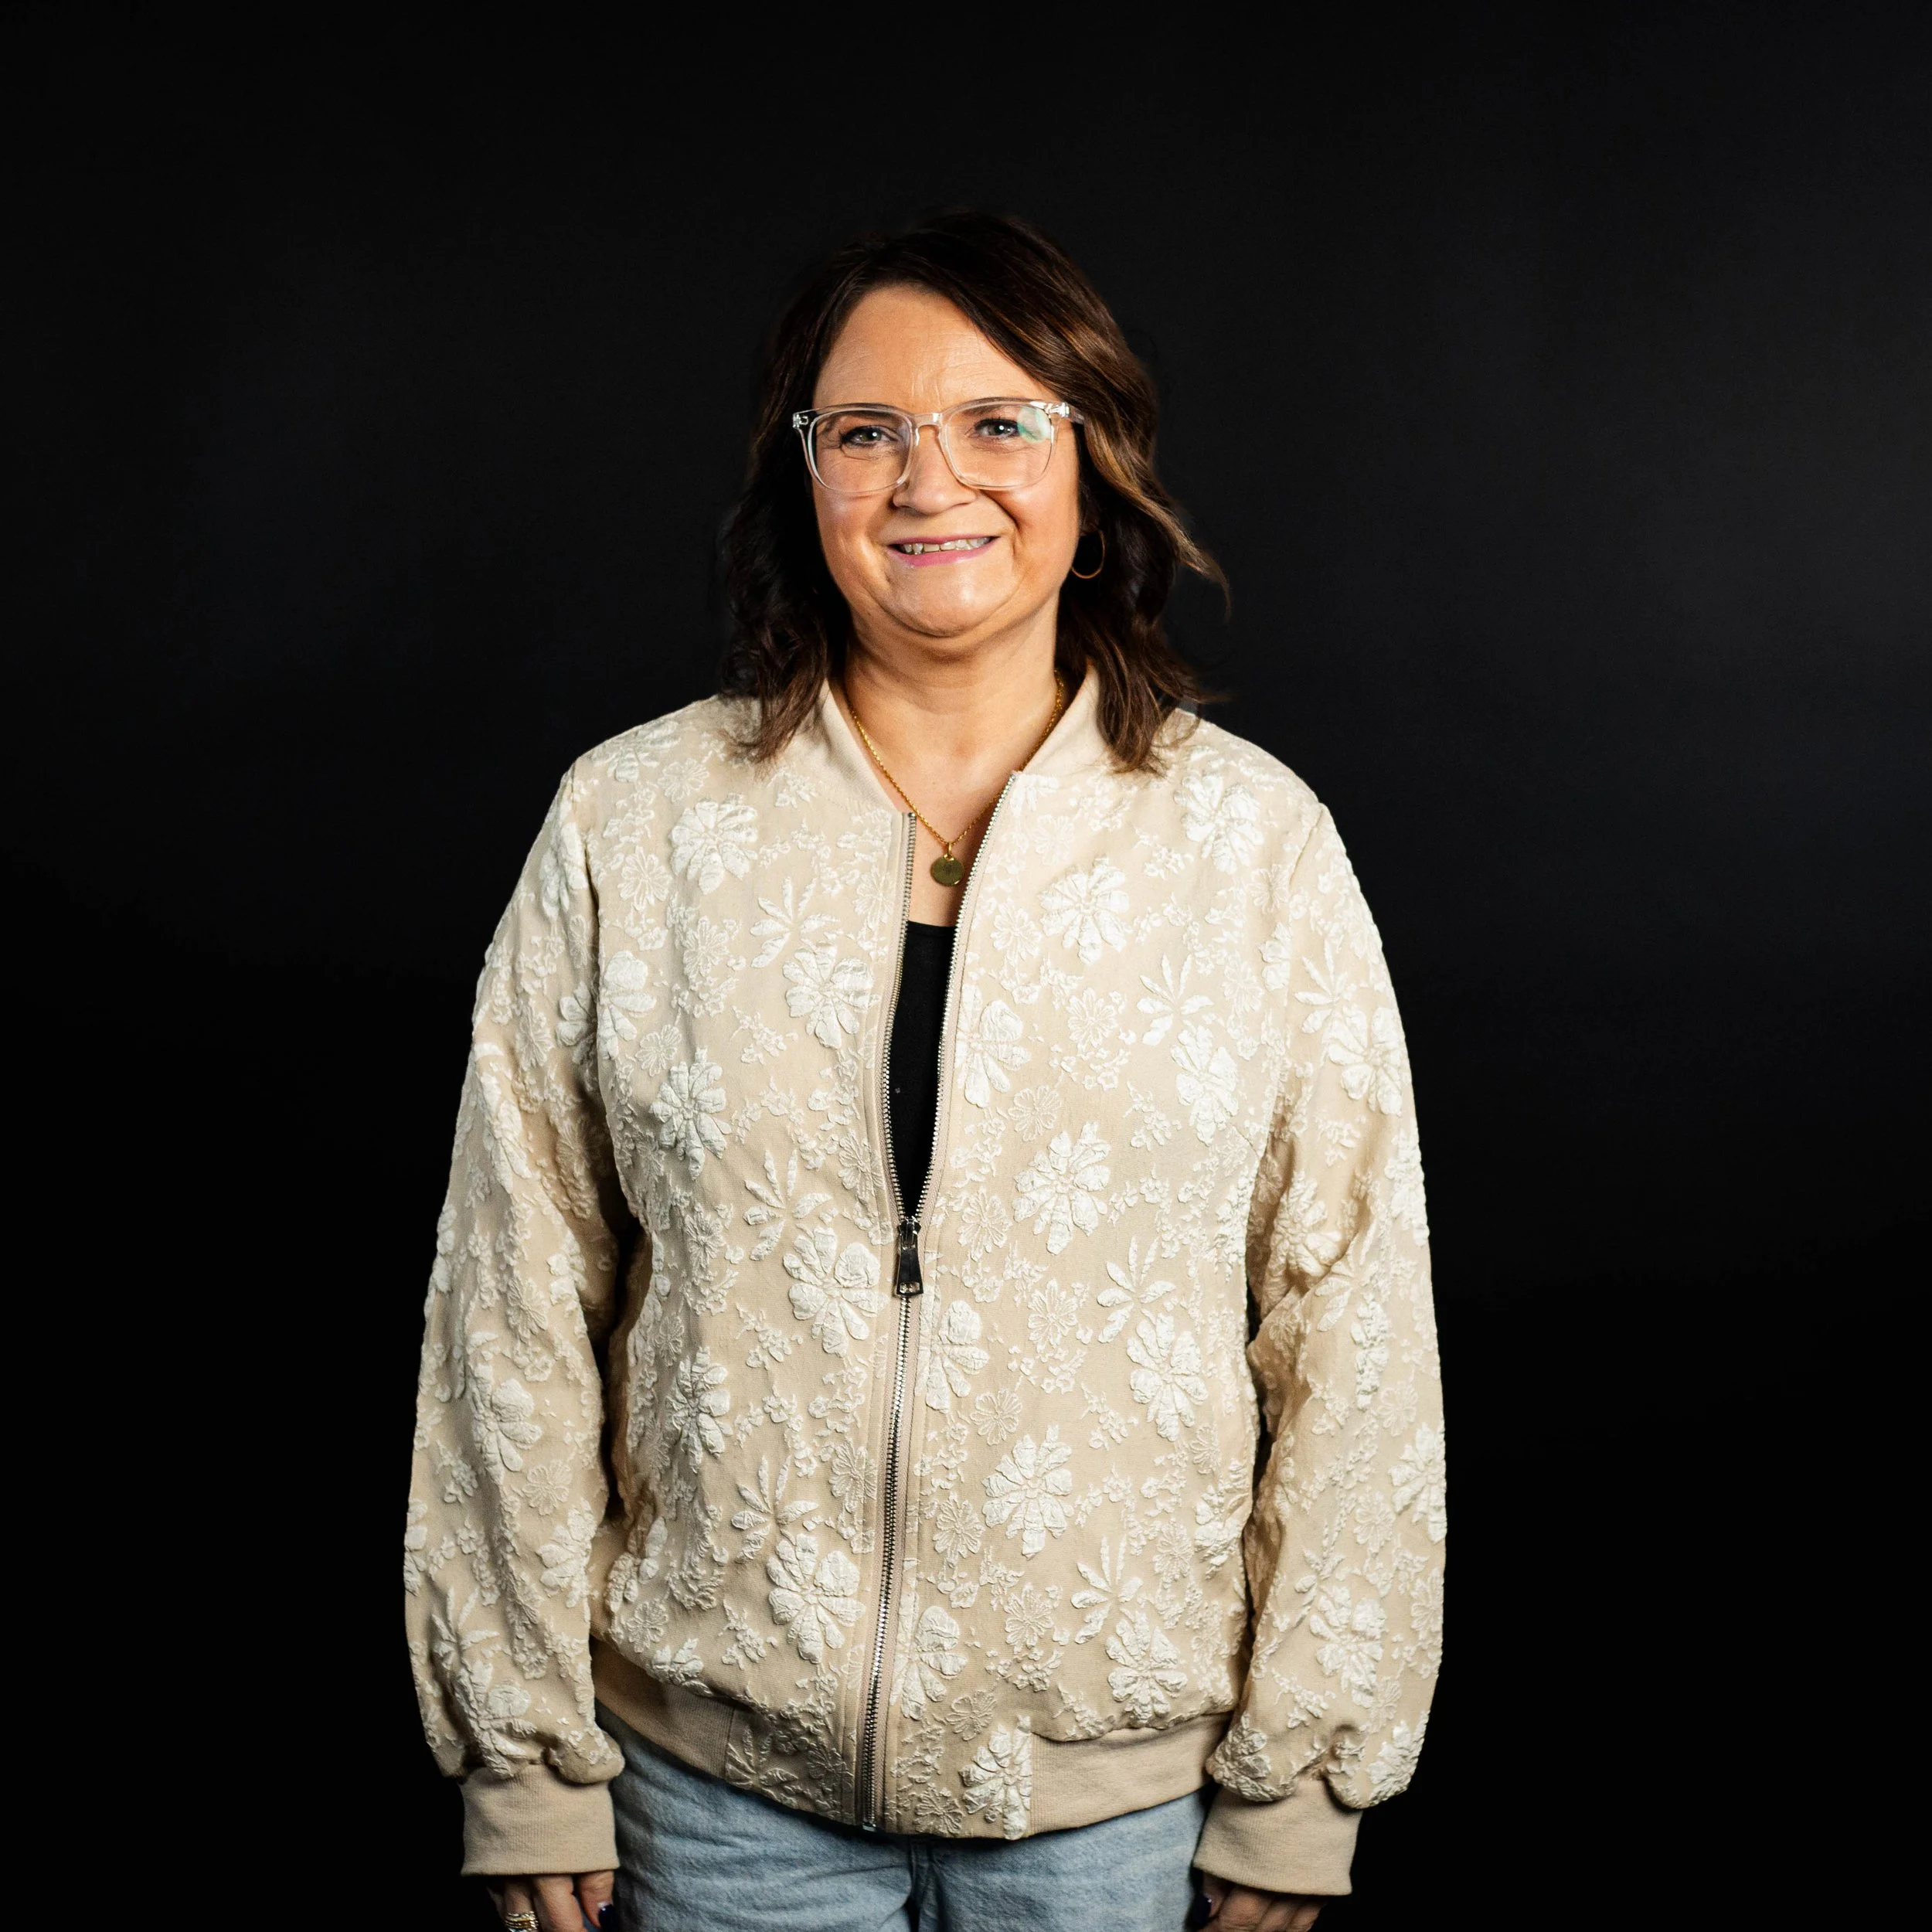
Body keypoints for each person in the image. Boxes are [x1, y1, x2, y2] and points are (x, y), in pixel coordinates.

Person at [404, 211, 1446, 1932]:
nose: (926, 479)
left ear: (1089, 461)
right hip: (707, 1787)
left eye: (996, 421)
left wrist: (1305, 1776)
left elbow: (1351, 1314)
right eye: (865, 429)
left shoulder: (1250, 848)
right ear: (800, 472)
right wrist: (520, 1748)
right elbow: (507, 1303)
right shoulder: (631, 827)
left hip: (1117, 1800)